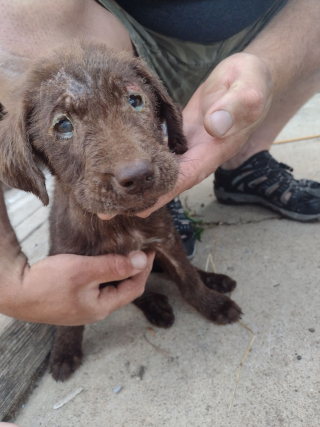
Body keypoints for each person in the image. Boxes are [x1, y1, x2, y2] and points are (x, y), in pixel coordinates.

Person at [0, 0, 320, 343]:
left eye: (134, 100)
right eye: (63, 125)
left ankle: (245, 163)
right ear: (28, 154)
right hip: (127, 31)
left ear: (166, 109)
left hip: (273, 23)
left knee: (164, 240)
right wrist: (8, 281)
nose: (131, 164)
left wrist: (271, 63)